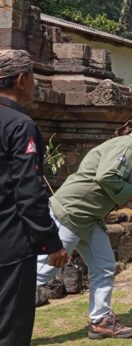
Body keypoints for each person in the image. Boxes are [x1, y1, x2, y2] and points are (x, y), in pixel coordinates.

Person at [36, 109, 132, 340]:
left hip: (89, 218)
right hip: (72, 212)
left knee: (104, 265)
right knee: (42, 271)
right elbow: (106, 176)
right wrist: (130, 192)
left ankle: (101, 321)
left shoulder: (130, 148)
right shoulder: (127, 146)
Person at [0, 49, 67, 346]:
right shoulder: (19, 125)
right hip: (9, 241)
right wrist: (50, 241)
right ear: (20, 79)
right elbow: (28, 191)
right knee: (10, 328)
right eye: (32, 77)